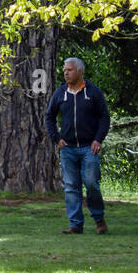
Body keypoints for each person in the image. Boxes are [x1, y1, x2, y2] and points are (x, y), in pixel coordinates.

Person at [45, 56, 111, 235]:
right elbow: (49, 116)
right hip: (68, 148)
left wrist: (98, 139)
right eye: (65, 69)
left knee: (91, 184)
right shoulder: (60, 93)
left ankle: (99, 219)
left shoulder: (94, 92)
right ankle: (75, 225)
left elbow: (105, 117)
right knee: (71, 186)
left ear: (80, 71)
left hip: (89, 147)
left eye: (69, 70)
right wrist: (56, 138)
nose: (65, 73)